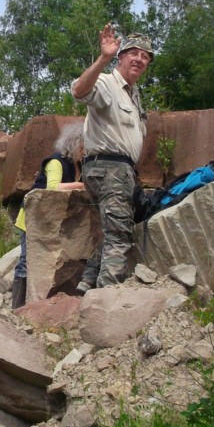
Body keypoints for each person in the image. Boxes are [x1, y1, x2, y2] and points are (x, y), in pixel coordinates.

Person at [71, 24, 153, 292]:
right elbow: (79, 91)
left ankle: (87, 284)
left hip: (117, 170)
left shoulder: (133, 94)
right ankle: (106, 298)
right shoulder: (108, 83)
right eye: (134, 53)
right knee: (119, 236)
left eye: (145, 56)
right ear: (121, 56)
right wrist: (102, 59)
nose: (139, 59)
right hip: (110, 169)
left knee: (109, 231)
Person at [11, 122, 86, 309]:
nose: (86, 151)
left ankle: (41, 303)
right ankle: (17, 307)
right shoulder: (56, 161)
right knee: (26, 261)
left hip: (54, 220)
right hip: (33, 218)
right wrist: (82, 185)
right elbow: (53, 186)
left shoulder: (80, 165)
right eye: (84, 146)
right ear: (75, 144)